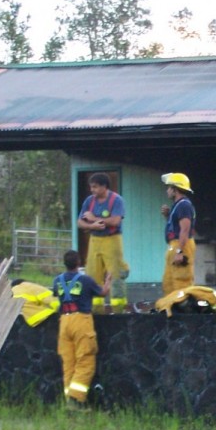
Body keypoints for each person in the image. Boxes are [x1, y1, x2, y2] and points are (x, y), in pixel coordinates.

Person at [52, 250, 112, 410]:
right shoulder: (86, 280)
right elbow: (103, 293)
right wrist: (108, 280)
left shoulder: (57, 280)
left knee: (68, 362)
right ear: (79, 263)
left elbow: (55, 294)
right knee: (85, 360)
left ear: (65, 263)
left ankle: (69, 400)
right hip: (81, 321)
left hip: (64, 321)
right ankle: (76, 399)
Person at [77, 172, 129, 312]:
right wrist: (91, 226)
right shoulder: (89, 201)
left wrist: (94, 219)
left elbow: (116, 220)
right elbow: (80, 222)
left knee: (115, 275)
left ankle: (119, 311)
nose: (92, 190)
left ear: (104, 186)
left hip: (112, 240)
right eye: (91, 187)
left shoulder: (116, 200)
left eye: (95, 187)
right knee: (92, 275)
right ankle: (96, 311)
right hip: (94, 241)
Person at [160, 172, 196, 297]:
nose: (167, 191)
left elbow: (184, 230)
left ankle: (184, 314)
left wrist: (180, 251)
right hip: (174, 245)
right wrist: (168, 215)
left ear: (175, 190)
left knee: (181, 283)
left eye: (169, 188)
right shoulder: (178, 206)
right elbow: (177, 227)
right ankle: (172, 309)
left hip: (181, 245)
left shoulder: (184, 205)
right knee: (169, 283)